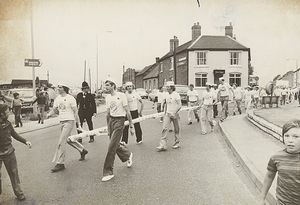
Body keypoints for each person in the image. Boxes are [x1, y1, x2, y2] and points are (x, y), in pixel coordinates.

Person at [47, 84, 88, 172]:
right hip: (61, 121)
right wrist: (49, 114)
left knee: (61, 142)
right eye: (58, 87)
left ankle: (60, 163)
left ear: (65, 88)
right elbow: (54, 109)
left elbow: (75, 111)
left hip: (69, 121)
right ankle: (82, 150)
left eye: (60, 87)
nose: (58, 89)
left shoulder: (70, 98)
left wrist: (79, 124)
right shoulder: (57, 98)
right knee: (68, 139)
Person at [260, 119, 300, 205]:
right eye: (287, 136)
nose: (290, 140)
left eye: (296, 136)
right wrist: (262, 198)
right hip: (282, 202)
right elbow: (269, 176)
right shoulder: (276, 157)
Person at [102, 78, 134, 182]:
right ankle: (128, 155)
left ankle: (108, 172)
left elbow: (127, 111)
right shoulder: (107, 98)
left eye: (107, 85)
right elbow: (107, 114)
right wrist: (108, 127)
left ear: (113, 85)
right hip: (111, 121)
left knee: (111, 147)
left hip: (120, 121)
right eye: (105, 85)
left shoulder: (121, 95)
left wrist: (131, 126)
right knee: (114, 143)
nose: (105, 87)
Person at [0, 104, 32, 201]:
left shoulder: (8, 124)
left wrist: (25, 141)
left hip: (9, 152)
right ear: (1, 113)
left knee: (14, 174)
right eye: (7, 112)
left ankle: (19, 193)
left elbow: (15, 135)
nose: (9, 113)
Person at [156, 81, 182, 151]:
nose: (166, 88)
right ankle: (163, 145)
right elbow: (166, 103)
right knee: (164, 128)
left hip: (175, 114)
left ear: (172, 87)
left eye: (168, 87)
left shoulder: (176, 94)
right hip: (167, 114)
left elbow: (180, 105)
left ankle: (177, 142)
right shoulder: (166, 94)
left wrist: (174, 112)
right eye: (166, 87)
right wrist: (164, 111)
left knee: (176, 129)